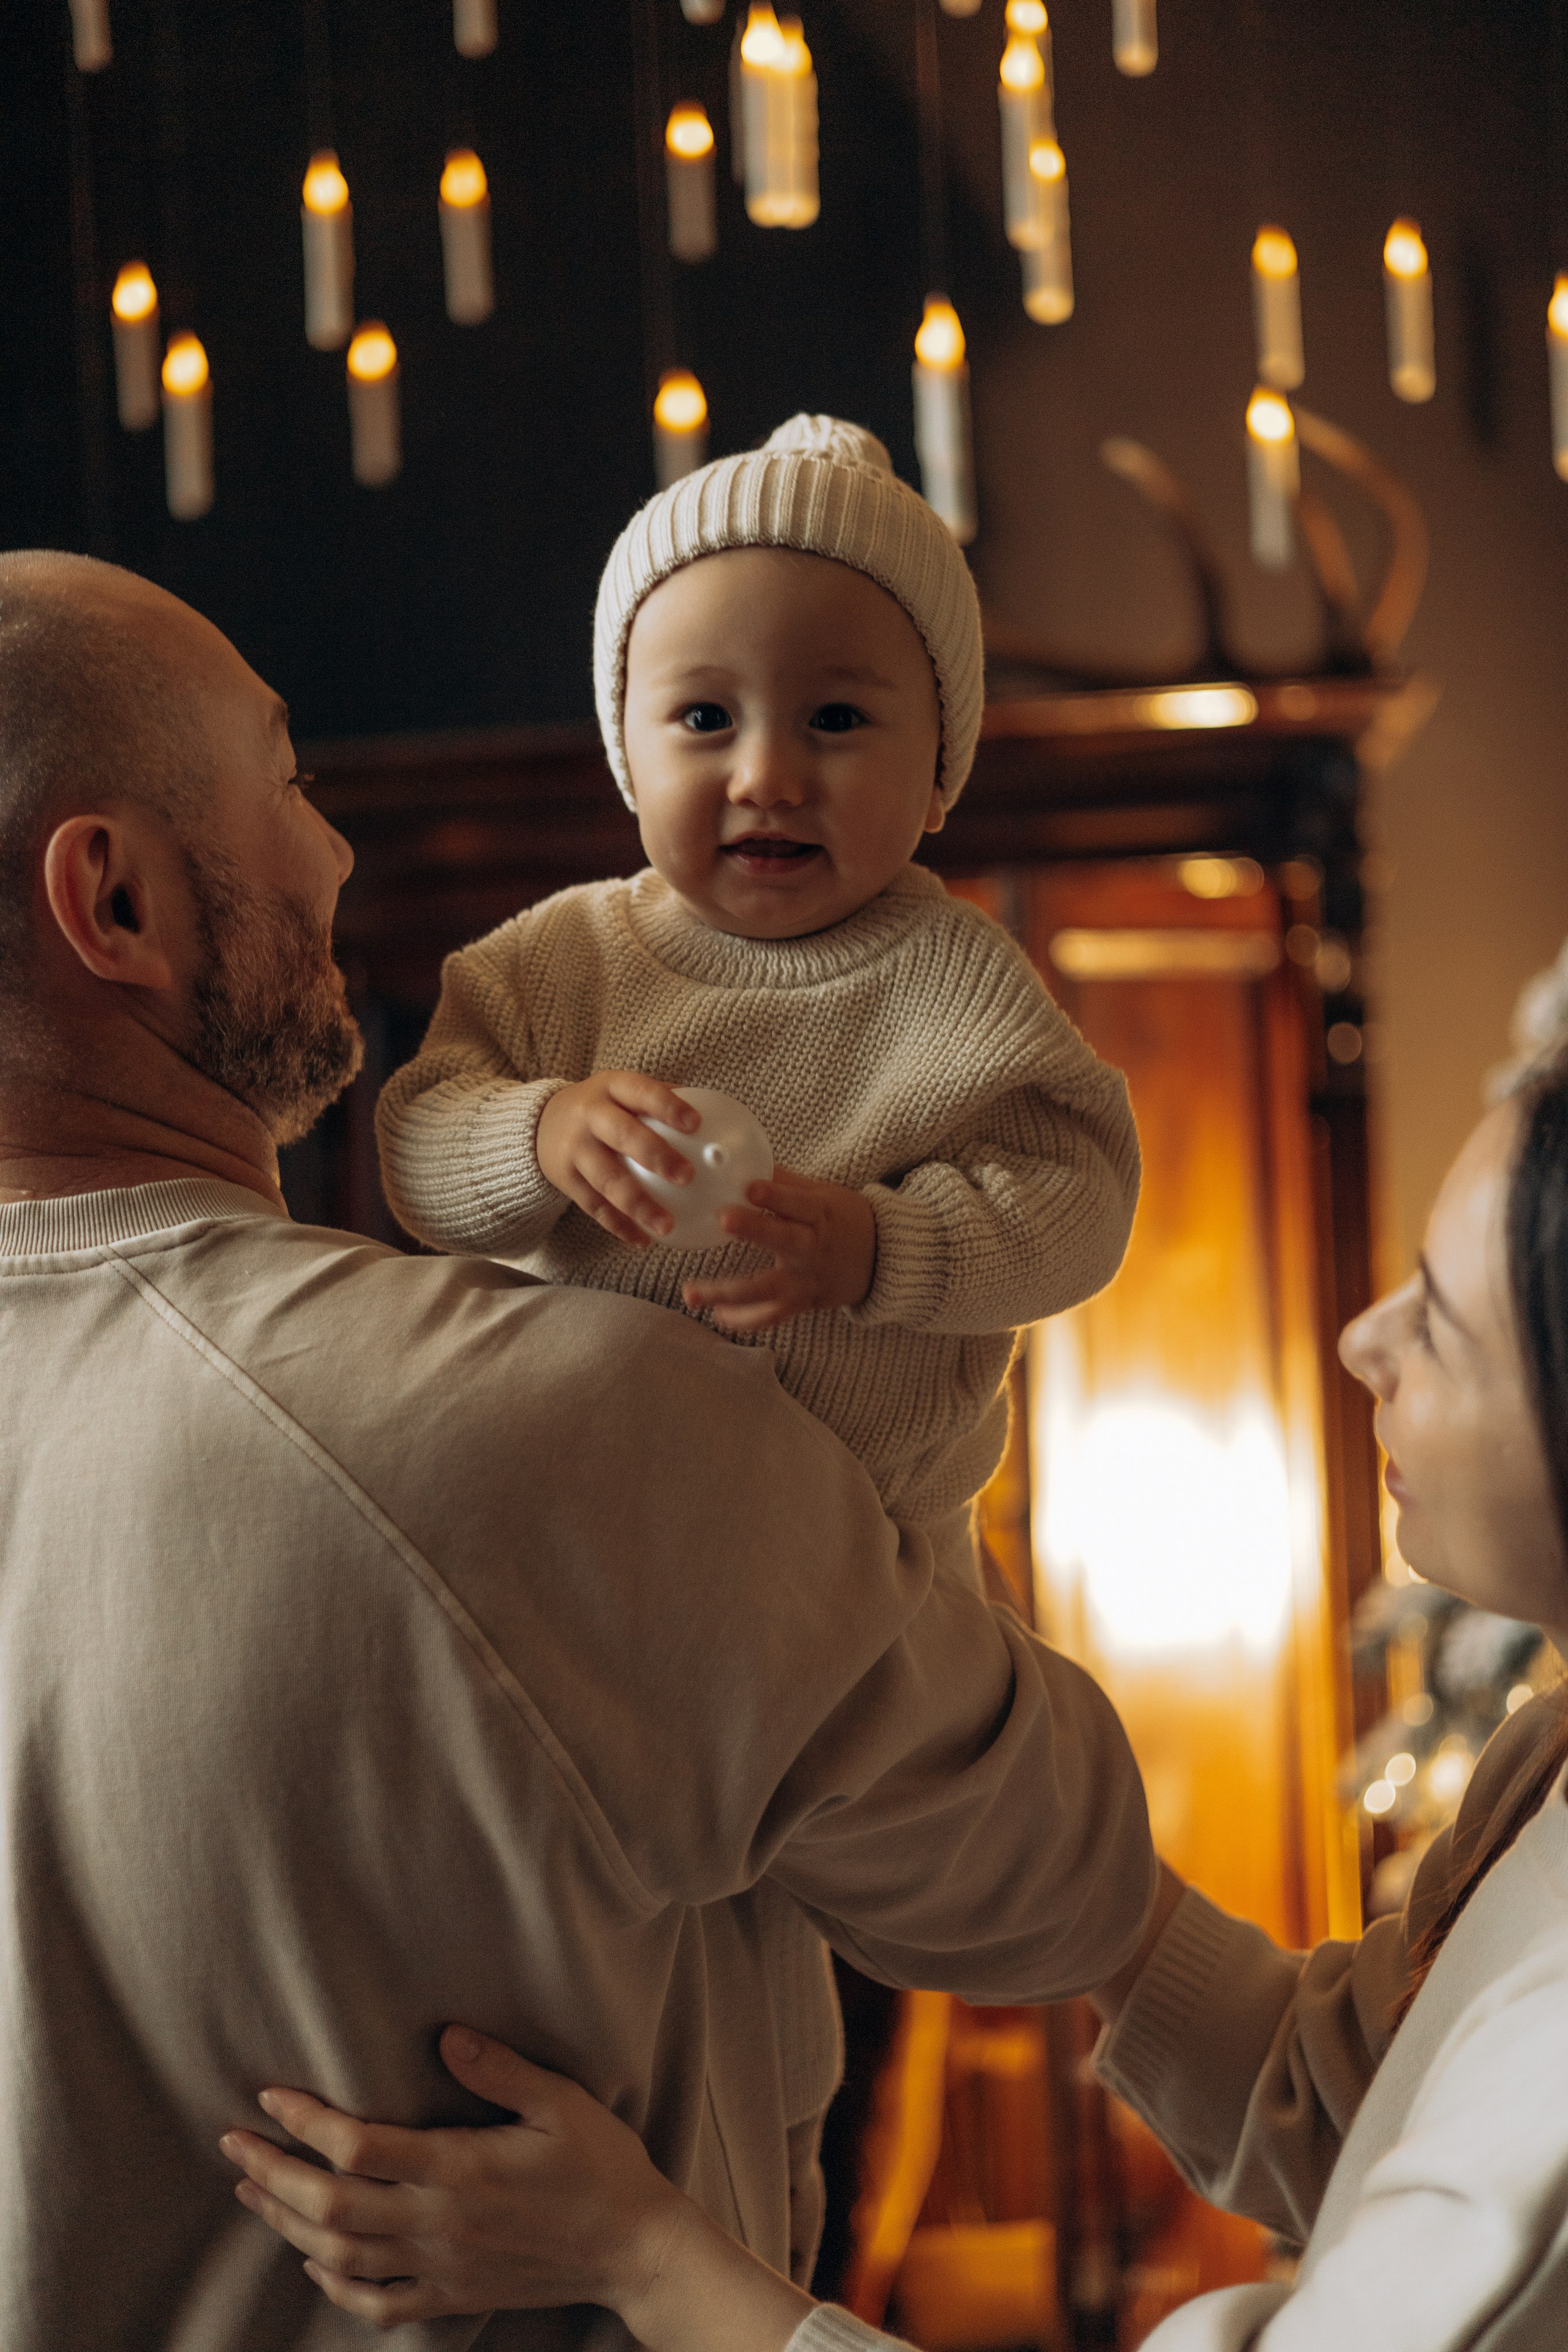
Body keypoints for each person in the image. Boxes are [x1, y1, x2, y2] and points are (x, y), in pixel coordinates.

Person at [0, 548, 1158, 2348]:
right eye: (288, 779)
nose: (335, 853)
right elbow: (1056, 1877)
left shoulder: (940, 992)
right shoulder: (550, 1429)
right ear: (119, 899)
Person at [224, 1055, 1568, 2350]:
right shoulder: (1545, 1755)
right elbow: (1344, 2103)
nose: (1359, 1337)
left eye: (1439, 1324)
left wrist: (639, 2251)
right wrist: (928, 1694)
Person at [375, 413, 1142, 2261]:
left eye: (841, 721)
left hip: (844, 1577)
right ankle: (616, 2222)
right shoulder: (559, 965)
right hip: (581, 1561)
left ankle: (777, 2249)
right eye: (703, 720)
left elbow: (1076, 1202)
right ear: (625, 744)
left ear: (941, 764)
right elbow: (413, 1141)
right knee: (603, 1957)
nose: (766, 775)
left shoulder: (948, 980)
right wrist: (536, 1133)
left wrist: (879, 1245)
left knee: (789, 2006)